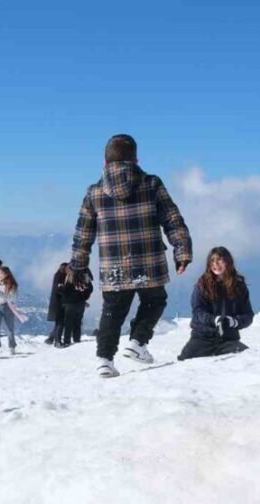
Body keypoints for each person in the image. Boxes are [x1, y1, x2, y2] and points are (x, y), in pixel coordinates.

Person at [70, 134, 193, 378]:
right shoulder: (152, 184)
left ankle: (105, 360)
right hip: (150, 261)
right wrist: (182, 250)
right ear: (136, 160)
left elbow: (83, 234)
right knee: (155, 300)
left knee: (112, 311)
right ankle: (137, 343)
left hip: (113, 264)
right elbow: (172, 219)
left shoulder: (93, 193)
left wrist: (78, 266)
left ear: (105, 162)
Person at [177, 247, 255, 361]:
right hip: (202, 338)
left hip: (228, 340)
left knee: (249, 358)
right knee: (183, 362)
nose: (215, 264)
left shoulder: (239, 286)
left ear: (228, 262)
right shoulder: (202, 284)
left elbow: (248, 315)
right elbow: (198, 312)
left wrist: (233, 322)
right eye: (212, 261)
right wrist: (214, 320)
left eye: (219, 260)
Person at [0, 266, 27, 355]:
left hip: (8, 307)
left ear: (6, 274)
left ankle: (12, 346)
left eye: (1, 273)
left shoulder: (12, 284)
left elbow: (10, 298)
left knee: (9, 329)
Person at [59, 267, 94, 347]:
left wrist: (61, 291)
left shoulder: (70, 278)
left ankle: (67, 341)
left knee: (68, 323)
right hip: (81, 303)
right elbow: (90, 289)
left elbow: (65, 290)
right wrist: (84, 297)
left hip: (70, 304)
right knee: (78, 322)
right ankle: (76, 339)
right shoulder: (85, 278)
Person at [45, 262, 68, 345]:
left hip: (57, 303)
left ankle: (51, 338)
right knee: (60, 322)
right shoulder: (60, 277)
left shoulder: (58, 275)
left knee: (59, 322)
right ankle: (57, 341)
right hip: (59, 303)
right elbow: (59, 290)